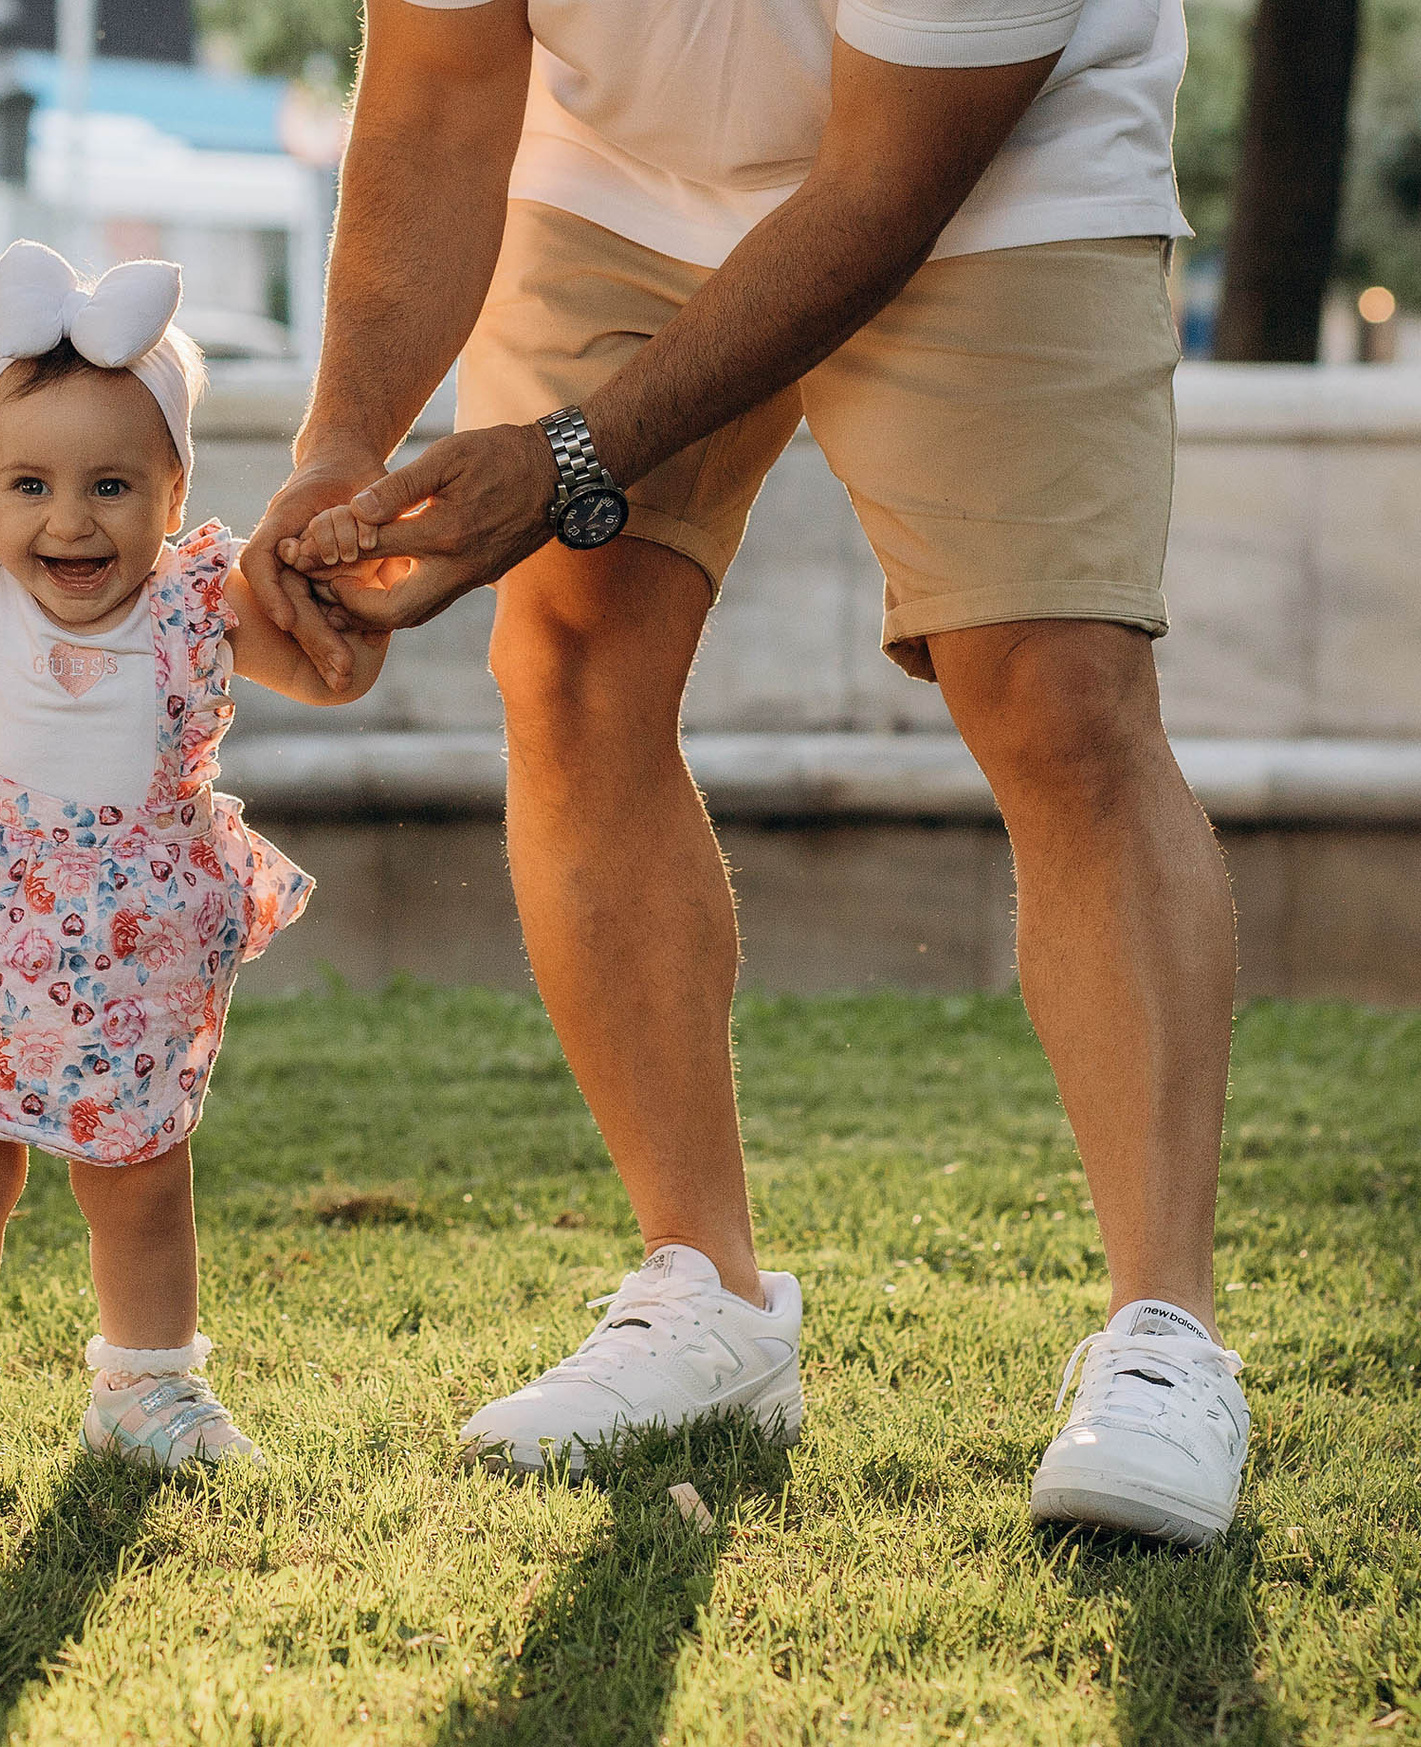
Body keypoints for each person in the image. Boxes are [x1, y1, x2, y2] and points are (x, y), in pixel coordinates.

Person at [245, 0, 1250, 1544]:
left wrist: (570, 459)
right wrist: (342, 438)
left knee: (1056, 686)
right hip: (621, 178)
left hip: (991, 169)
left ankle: (1166, 1339)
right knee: (571, 656)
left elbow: (877, 191)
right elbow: (444, 87)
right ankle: (704, 1294)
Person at [0, 242, 389, 1488]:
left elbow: (333, 671)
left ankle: (147, 1386)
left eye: (111, 484)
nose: (68, 520)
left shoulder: (195, 609)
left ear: (174, 493)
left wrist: (340, 592)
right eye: (29, 484)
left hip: (128, 945)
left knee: (139, 1170)